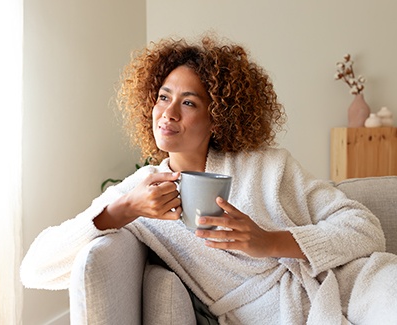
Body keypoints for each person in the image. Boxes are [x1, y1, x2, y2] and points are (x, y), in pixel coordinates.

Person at [21, 35, 397, 324]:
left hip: (355, 285)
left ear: (217, 117)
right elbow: (35, 268)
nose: (168, 113)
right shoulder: (142, 192)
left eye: (188, 103)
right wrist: (122, 209)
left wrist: (270, 242)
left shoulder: (267, 166)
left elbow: (366, 229)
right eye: (163, 97)